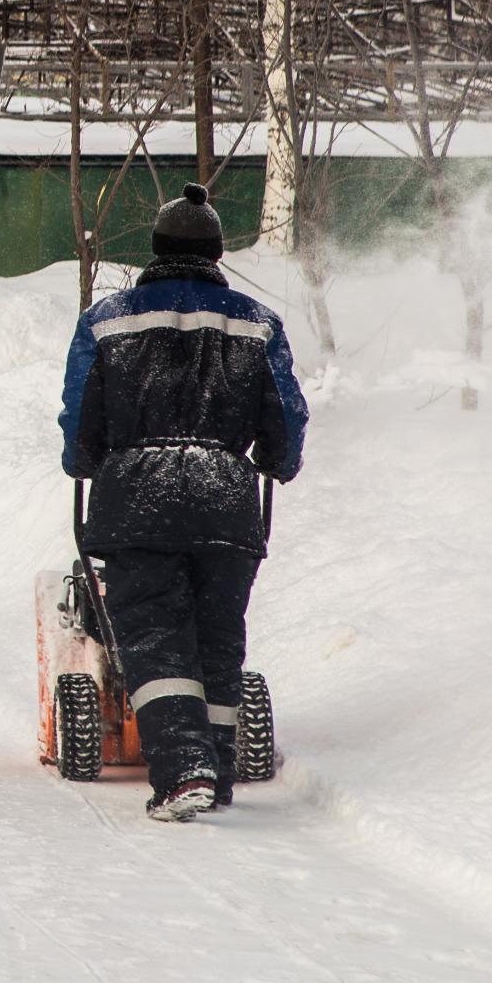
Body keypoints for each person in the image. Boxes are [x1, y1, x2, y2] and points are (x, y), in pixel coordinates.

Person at [59, 182, 308, 821]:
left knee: (154, 637)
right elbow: (285, 415)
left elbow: (81, 414)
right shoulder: (257, 323)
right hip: (226, 500)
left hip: (137, 499)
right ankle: (217, 774)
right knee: (219, 638)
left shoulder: (108, 319)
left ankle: (182, 771)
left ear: (157, 248)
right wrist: (277, 462)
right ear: (217, 253)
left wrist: (84, 461)